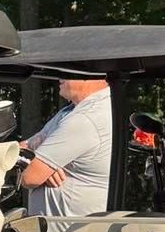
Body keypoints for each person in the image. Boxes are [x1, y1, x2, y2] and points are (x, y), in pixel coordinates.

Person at [20, 77, 113, 216]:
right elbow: (24, 146)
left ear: (91, 76)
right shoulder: (70, 112)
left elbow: (29, 177)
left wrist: (39, 163)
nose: (59, 76)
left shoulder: (86, 118)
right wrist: (42, 163)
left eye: (69, 70)